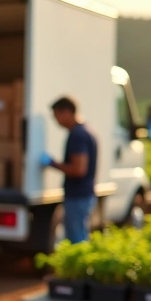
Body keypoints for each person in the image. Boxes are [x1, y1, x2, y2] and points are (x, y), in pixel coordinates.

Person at [41, 96, 98, 243]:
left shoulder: (78, 135)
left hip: (78, 196)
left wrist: (52, 163)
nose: (56, 121)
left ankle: (80, 266)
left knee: (77, 239)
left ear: (66, 112)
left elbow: (79, 169)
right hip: (83, 195)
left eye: (56, 116)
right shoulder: (85, 131)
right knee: (77, 235)